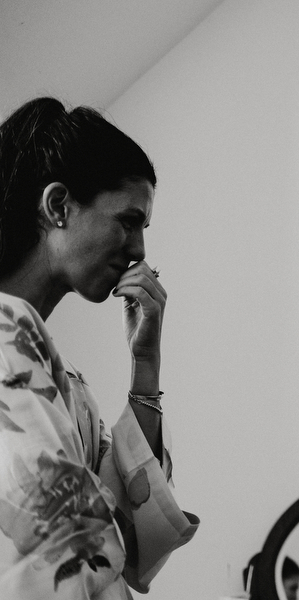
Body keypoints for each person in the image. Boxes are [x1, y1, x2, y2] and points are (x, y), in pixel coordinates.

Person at [0, 97, 199, 598]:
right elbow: (66, 549)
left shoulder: (63, 383)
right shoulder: (6, 340)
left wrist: (145, 364)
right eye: (128, 221)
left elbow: (131, 536)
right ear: (58, 206)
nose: (139, 250)